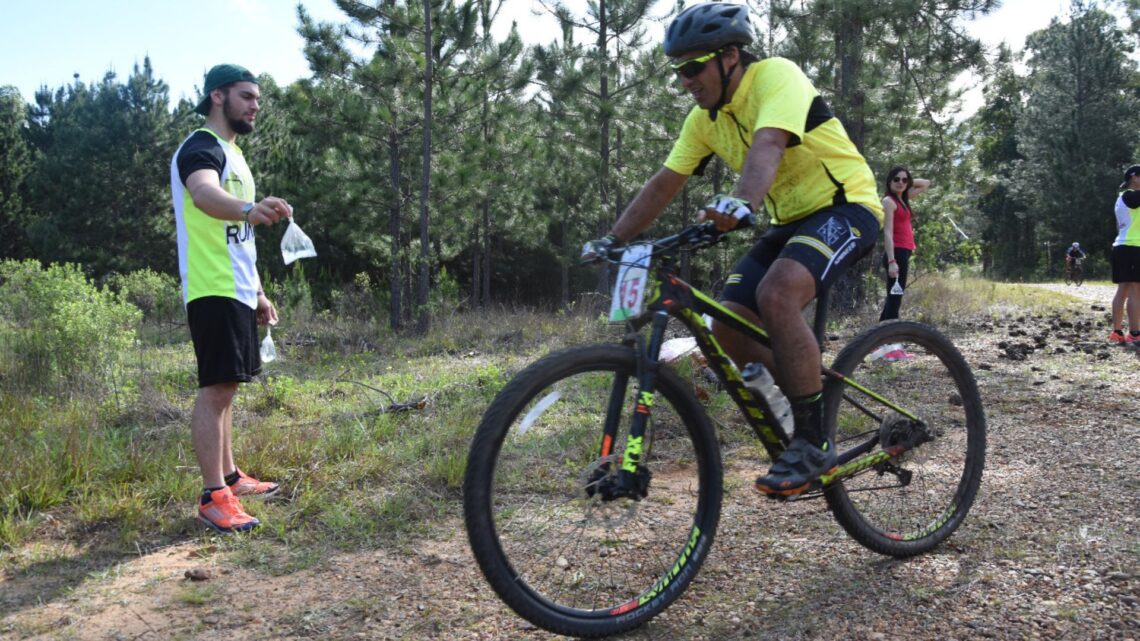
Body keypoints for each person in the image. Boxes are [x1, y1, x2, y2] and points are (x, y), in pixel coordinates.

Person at [582, 3, 883, 497]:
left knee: (778, 294)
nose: (685, 80)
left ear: (731, 57)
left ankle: (813, 441)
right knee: (725, 325)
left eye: (693, 66)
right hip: (788, 219)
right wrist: (614, 239)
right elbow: (665, 182)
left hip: (845, 206)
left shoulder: (775, 77)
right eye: (678, 70)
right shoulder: (704, 120)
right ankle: (801, 402)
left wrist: (741, 202)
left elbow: (768, 144)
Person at [171, 64, 293, 533]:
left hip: (237, 287)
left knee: (230, 386)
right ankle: (212, 497)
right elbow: (203, 195)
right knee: (216, 387)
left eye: (257, 99)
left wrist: (258, 292)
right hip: (210, 284)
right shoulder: (200, 146)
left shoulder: (233, 154)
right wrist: (248, 207)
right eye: (246, 97)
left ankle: (230, 477)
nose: (255, 106)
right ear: (217, 96)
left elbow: (240, 236)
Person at [879, 166, 930, 321]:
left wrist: (908, 180)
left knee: (894, 297)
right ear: (890, 181)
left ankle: (879, 337)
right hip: (896, 253)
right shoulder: (889, 201)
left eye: (904, 180)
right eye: (896, 179)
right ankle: (890, 339)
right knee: (895, 298)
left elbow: (926, 183)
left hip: (904, 252)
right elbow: (887, 232)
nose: (900, 182)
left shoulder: (903, 199)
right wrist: (892, 261)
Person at [1109, 165, 1140, 343]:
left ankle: (1117, 332)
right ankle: (1135, 333)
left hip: (1123, 248)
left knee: (1124, 290)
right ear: (1134, 177)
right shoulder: (1129, 196)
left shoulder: (1123, 198)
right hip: (1133, 247)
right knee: (1136, 290)